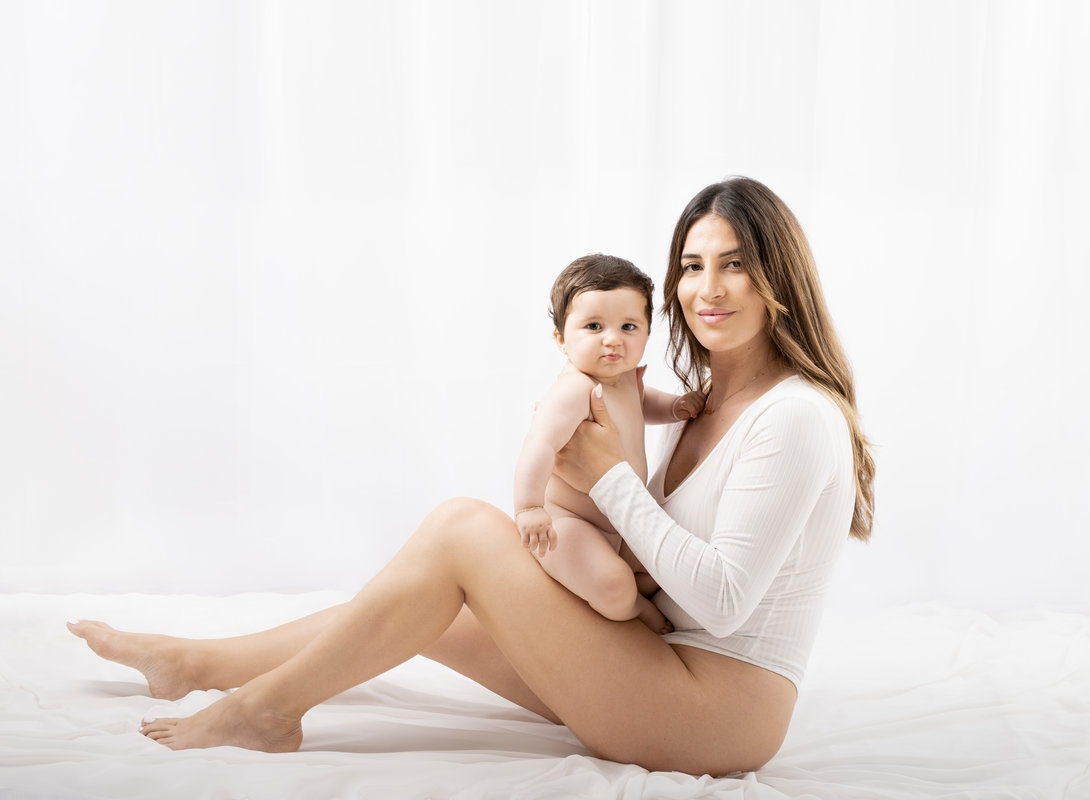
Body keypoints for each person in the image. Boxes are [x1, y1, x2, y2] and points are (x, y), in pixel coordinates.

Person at [67, 176, 875, 776]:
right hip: (661, 658)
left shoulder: (795, 417)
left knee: (461, 527)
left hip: (716, 714)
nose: (707, 288)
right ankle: (195, 665)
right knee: (424, 604)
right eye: (691, 266)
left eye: (733, 265)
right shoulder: (710, 401)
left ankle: (267, 711)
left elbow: (726, 605)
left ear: (780, 280)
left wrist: (611, 484)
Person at [515, 253, 704, 635]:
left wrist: (674, 407)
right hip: (571, 524)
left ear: (647, 333)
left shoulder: (624, 379)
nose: (612, 339)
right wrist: (531, 507)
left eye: (628, 326)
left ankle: (633, 592)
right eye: (594, 326)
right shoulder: (574, 390)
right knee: (615, 586)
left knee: (662, 570)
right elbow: (540, 445)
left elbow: (643, 402)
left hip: (618, 521)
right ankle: (633, 608)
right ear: (561, 339)